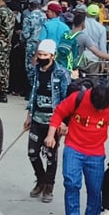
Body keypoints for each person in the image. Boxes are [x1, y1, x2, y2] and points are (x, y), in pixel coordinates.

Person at [46, 81, 109, 215]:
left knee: (95, 189)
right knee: (71, 184)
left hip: (96, 153)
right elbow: (59, 113)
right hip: (74, 148)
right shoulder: (79, 98)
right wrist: (50, 135)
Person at [25, 40, 72, 203]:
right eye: (40, 55)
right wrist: (29, 115)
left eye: (45, 55)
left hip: (54, 121)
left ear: (52, 55)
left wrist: (64, 122)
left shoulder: (62, 73)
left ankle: (49, 186)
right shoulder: (36, 71)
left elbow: (67, 100)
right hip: (37, 119)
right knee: (32, 153)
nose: (42, 58)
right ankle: (40, 179)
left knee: (51, 155)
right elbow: (33, 93)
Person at [22, 0, 47, 84]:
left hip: (32, 45)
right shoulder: (45, 16)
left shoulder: (28, 17)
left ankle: (32, 88)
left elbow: (26, 34)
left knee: (30, 67)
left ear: (30, 6)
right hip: (43, 45)